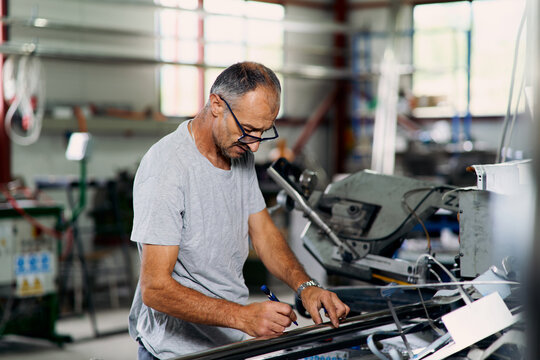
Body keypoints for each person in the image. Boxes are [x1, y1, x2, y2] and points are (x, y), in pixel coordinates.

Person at [128, 62, 350, 359]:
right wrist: (243, 317)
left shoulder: (238, 152)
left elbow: (263, 233)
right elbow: (155, 289)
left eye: (262, 132)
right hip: (174, 352)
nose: (255, 146)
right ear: (216, 104)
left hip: (231, 344)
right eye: (248, 130)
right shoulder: (167, 168)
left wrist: (306, 286)